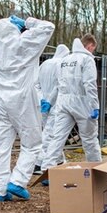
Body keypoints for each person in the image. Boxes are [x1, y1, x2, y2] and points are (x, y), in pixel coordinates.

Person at [0, 15, 55, 203]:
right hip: (22, 95)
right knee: (33, 143)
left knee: (1, 146)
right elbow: (48, 27)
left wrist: (6, 23)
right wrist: (27, 23)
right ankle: (18, 181)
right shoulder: (24, 42)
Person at [40, 35, 101, 174]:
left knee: (57, 137)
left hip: (63, 103)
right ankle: (96, 170)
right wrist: (94, 105)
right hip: (83, 102)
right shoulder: (87, 60)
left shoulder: (64, 60)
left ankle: (46, 169)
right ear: (90, 46)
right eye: (93, 49)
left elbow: (58, 84)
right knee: (89, 139)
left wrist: (50, 100)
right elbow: (89, 84)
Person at [33, 44, 70, 178]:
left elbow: (36, 84)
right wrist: (49, 100)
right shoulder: (62, 65)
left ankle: (60, 161)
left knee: (50, 133)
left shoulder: (44, 64)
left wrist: (42, 99)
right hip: (55, 104)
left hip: (42, 105)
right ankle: (38, 162)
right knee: (51, 134)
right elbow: (59, 85)